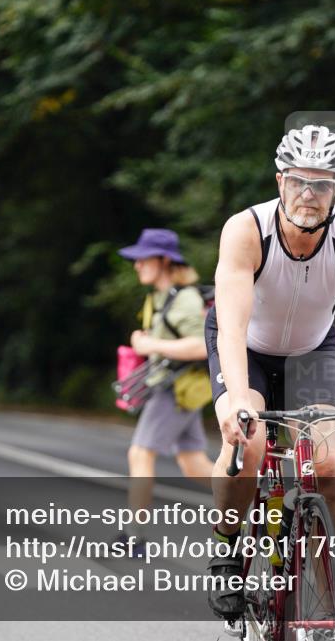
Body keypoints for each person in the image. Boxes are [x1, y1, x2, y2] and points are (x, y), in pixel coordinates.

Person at [204, 124, 335, 618]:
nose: (308, 194)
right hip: (247, 347)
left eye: (322, 184)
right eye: (299, 181)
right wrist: (237, 399)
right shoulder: (245, 229)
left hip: (311, 351)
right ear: (280, 181)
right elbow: (231, 328)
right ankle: (228, 552)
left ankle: (328, 590)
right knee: (248, 443)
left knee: (327, 468)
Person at [116, 228, 214, 549]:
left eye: (143, 259)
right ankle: (257, 497)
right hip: (179, 389)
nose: (137, 265)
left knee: (140, 452)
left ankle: (134, 536)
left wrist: (150, 344)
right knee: (194, 464)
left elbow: (202, 347)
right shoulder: (160, 297)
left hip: (176, 390)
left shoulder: (184, 299)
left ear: (164, 261)